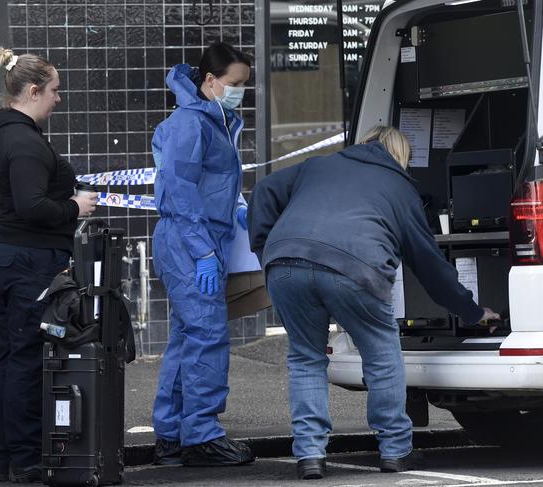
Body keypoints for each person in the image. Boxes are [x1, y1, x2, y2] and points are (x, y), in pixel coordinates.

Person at [247, 126, 500, 480]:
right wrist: (472, 312)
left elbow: (262, 190)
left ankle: (310, 456)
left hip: (286, 264)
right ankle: (395, 451)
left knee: (306, 358)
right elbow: (429, 265)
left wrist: (265, 247)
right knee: (382, 356)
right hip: (355, 270)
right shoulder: (400, 188)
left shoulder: (318, 165)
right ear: (401, 157)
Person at [0, 48, 98, 483]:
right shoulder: (23, 141)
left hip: (2, 256)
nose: (58, 99)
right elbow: (32, 207)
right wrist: (73, 206)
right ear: (32, 91)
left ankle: (6, 457)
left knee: (10, 356)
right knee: (27, 359)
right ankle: (25, 461)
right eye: (54, 91)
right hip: (25, 261)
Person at [150, 42, 255, 467]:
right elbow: (178, 190)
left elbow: (206, 184)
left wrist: (239, 209)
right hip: (191, 239)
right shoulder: (192, 123)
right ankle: (202, 434)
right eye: (235, 84)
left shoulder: (213, 119)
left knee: (188, 337)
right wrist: (203, 251)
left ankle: (173, 434)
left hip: (196, 237)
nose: (240, 91)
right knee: (208, 335)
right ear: (210, 80)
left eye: (245, 85)